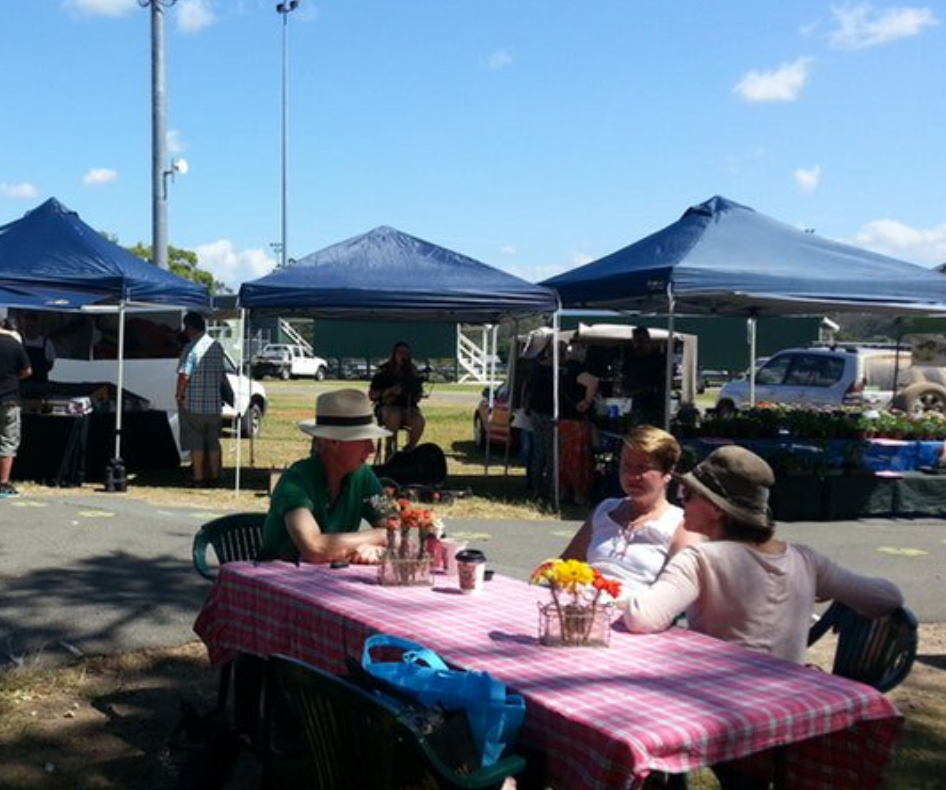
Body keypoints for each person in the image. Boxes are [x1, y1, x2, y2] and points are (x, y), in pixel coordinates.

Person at [623, 445, 904, 664]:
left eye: (688, 494)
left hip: (717, 704)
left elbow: (642, 618)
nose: (680, 500)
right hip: (787, 705)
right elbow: (888, 597)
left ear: (716, 508)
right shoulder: (805, 560)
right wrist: (831, 591)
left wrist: (618, 600)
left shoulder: (699, 559)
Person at [262, 388, 394, 564]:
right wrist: (379, 537)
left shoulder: (363, 476)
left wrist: (376, 548)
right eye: (363, 440)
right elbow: (314, 548)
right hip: (279, 581)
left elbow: (396, 527)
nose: (371, 449)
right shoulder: (295, 482)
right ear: (333, 441)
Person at [561, 425, 702, 588]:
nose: (632, 476)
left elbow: (681, 592)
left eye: (642, 468)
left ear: (668, 473)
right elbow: (564, 565)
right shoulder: (606, 509)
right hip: (583, 605)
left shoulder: (681, 525)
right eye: (626, 466)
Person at [176, 312, 226, 488]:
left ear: (190, 327)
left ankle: (198, 477)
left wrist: (179, 394)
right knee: (213, 441)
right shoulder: (217, 346)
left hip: (194, 404)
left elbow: (184, 375)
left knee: (196, 442)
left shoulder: (190, 348)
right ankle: (214, 476)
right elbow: (221, 376)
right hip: (214, 404)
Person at [557, 342, 599, 505]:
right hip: (577, 421)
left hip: (563, 419)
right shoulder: (577, 369)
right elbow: (593, 382)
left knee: (564, 459)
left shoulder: (561, 371)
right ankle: (579, 494)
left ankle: (564, 491)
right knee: (578, 460)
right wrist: (587, 401)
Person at [368, 341, 427, 452]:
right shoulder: (384, 371)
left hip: (408, 407)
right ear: (394, 354)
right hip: (387, 406)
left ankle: (409, 449)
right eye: (401, 353)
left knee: (419, 421)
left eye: (406, 353)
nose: (404, 356)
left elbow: (418, 395)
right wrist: (389, 391)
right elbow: (372, 395)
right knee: (394, 414)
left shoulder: (412, 372)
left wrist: (416, 381)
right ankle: (390, 448)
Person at [0, 321, 33, 499]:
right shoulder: (13, 344)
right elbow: (27, 370)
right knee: (7, 441)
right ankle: (3, 483)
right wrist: (13, 377)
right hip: (9, 398)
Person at [20, 311, 56, 383]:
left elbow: (50, 363)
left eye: (31, 326)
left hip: (40, 382)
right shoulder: (19, 341)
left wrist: (39, 372)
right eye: (26, 326)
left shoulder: (46, 343)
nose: (29, 329)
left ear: (37, 327)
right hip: (23, 382)